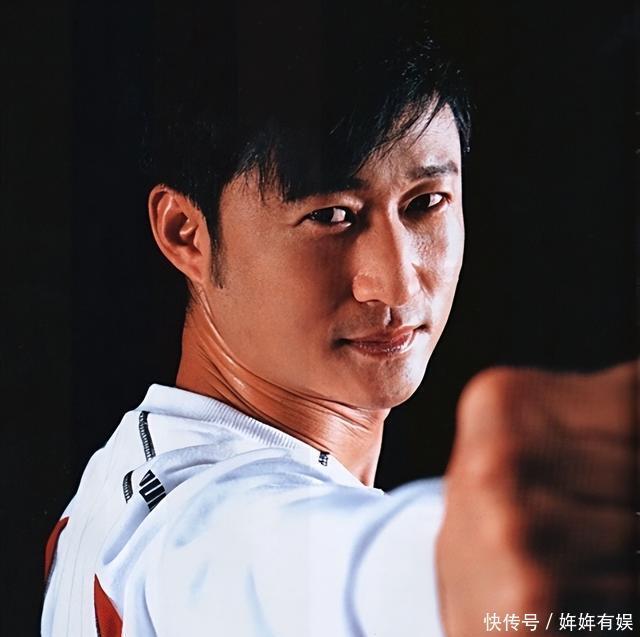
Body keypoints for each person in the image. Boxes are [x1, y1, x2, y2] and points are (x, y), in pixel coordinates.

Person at [42, 2, 636, 635]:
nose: (397, 282)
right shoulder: (189, 526)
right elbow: (280, 567)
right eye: (331, 216)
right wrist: (447, 569)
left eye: (426, 203)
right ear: (186, 232)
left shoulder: (124, 473)